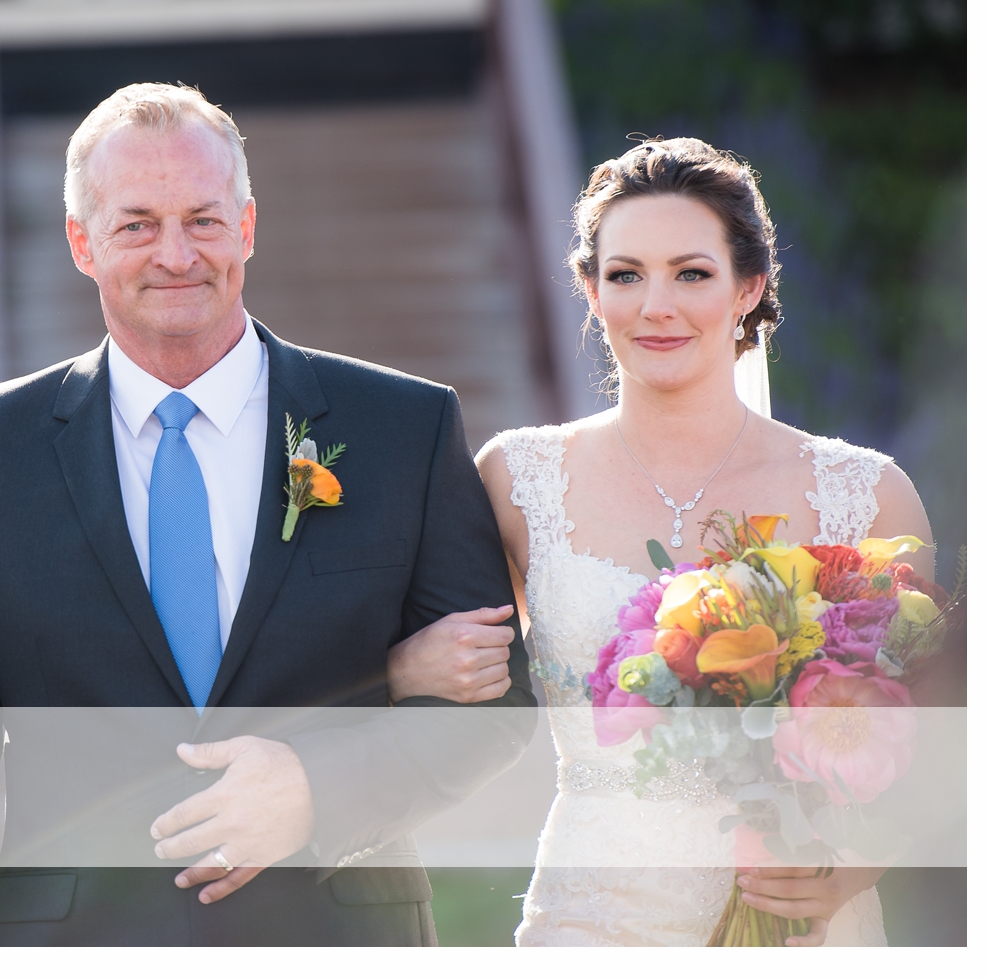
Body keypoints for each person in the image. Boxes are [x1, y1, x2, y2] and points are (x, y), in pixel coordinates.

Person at [0, 83, 534, 946]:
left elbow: (498, 699)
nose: (177, 254)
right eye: (137, 224)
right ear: (82, 242)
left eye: (205, 219)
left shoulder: (401, 429)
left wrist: (319, 793)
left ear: (249, 227)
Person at [392, 138, 931, 946]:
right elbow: (458, 686)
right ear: (589, 287)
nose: (656, 306)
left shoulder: (867, 496)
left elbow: (945, 745)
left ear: (749, 287)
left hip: (798, 925)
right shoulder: (516, 480)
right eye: (625, 275)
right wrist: (401, 668)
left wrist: (851, 868)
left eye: (692, 273)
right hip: (592, 921)